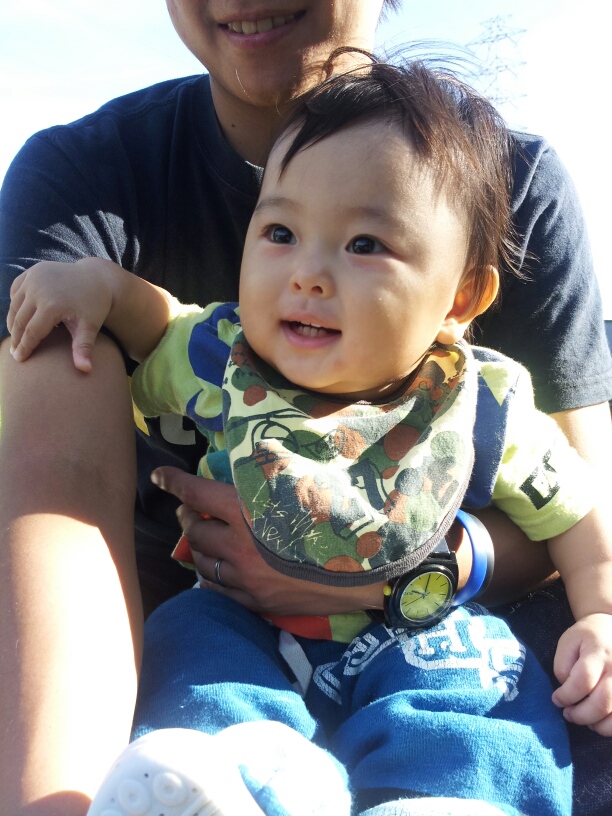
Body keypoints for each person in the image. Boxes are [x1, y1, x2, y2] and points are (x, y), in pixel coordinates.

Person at [0, 2, 611, 814]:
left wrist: (600, 613)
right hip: (235, 617)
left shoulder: (480, 398)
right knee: (195, 652)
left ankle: (446, 797)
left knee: (481, 687)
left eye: (365, 246)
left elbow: (574, 503)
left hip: (428, 628)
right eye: (279, 233)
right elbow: (158, 327)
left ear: (460, 298)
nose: (308, 275)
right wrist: (99, 286)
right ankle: (248, 782)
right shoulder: (227, 354)